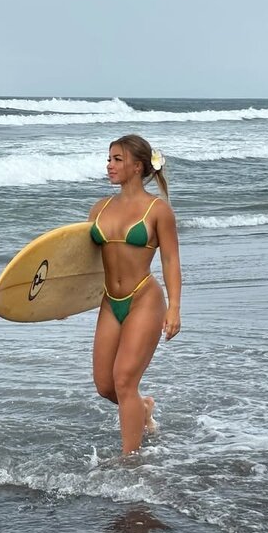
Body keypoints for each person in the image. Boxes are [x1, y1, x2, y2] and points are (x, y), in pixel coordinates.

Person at [88, 135, 182, 454]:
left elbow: (170, 260)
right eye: (109, 159)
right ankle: (142, 408)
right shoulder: (100, 208)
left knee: (125, 380)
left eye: (117, 159)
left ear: (138, 166)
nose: (109, 165)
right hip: (109, 302)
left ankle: (130, 462)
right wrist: (61, 301)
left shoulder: (157, 210)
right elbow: (82, 263)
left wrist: (174, 307)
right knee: (105, 385)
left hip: (144, 298)